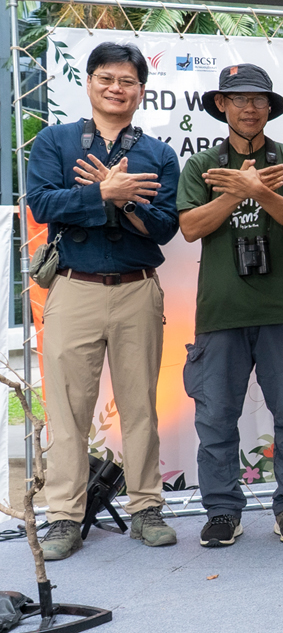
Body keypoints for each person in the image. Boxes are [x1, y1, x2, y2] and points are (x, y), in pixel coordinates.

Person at [27, 41, 179, 560]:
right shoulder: (56, 141)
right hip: (74, 287)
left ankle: (147, 508)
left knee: (141, 408)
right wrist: (101, 195)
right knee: (67, 410)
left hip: (138, 288)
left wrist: (129, 200)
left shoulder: (158, 154)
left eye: (128, 81)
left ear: (142, 90)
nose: (117, 88)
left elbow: (165, 228)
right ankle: (64, 517)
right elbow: (42, 204)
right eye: (107, 79)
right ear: (89, 82)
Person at [178, 64, 283, 547]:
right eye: (238, 99)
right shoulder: (202, 166)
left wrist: (258, 190)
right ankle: (222, 511)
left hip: (282, 310)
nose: (249, 108)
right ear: (222, 104)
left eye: (259, 99)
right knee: (216, 418)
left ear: (270, 107)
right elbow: (190, 227)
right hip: (221, 311)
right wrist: (236, 192)